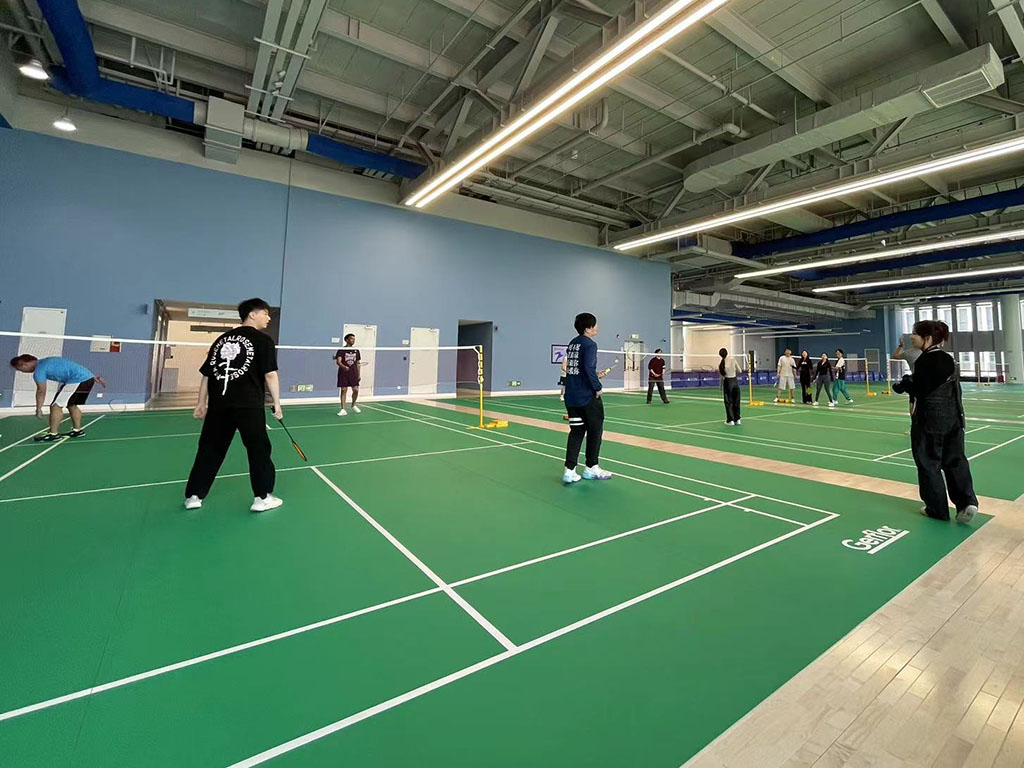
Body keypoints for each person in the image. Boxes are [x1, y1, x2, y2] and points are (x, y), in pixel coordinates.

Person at [184, 297, 284, 513]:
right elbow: (270, 375)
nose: (268, 318)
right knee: (259, 450)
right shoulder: (263, 340)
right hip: (249, 406)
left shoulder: (221, 340)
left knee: (210, 449)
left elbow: (207, 376)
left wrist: (201, 403)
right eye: (265, 313)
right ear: (252, 314)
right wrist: (277, 402)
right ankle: (263, 497)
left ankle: (194, 495)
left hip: (219, 406)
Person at [907, 319, 978, 523]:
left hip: (931, 420)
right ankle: (967, 503)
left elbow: (922, 389)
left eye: (915, 334)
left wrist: (905, 385)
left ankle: (937, 509)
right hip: (954, 418)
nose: (912, 337)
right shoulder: (949, 360)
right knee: (955, 460)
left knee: (929, 463)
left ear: (927, 339)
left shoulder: (925, 360)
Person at [562, 312, 612, 484]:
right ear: (588, 328)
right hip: (587, 397)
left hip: (572, 396)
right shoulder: (590, 345)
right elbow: (588, 368)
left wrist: (594, 374)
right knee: (595, 431)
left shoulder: (573, 343)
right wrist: (597, 387)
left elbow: (578, 369)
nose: (597, 328)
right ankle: (591, 467)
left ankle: (569, 471)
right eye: (595, 325)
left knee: (576, 431)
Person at [9, 354, 107, 441]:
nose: (22, 371)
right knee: (72, 405)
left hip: (77, 379)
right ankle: (77, 431)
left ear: (23, 365)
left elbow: (41, 391)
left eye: (20, 370)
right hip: (87, 378)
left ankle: (53, 434)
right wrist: (93, 377)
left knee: (56, 406)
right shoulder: (46, 361)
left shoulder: (39, 370)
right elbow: (72, 366)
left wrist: (38, 409)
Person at [335, 334, 361, 416]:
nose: (353, 340)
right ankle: (343, 409)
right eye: (351, 339)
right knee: (343, 390)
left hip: (354, 373)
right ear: (346, 340)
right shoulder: (341, 350)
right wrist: (343, 367)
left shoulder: (356, 350)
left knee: (356, 390)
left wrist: (359, 374)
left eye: (354, 339)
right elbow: (338, 361)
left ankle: (353, 404)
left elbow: (358, 363)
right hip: (343, 373)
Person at [718, 348, 742, 425]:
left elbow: (722, 377)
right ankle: (737, 419)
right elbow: (740, 370)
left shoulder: (721, 364)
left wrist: (720, 386)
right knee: (736, 401)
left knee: (728, 402)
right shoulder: (733, 359)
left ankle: (730, 420)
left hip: (727, 383)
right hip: (735, 382)